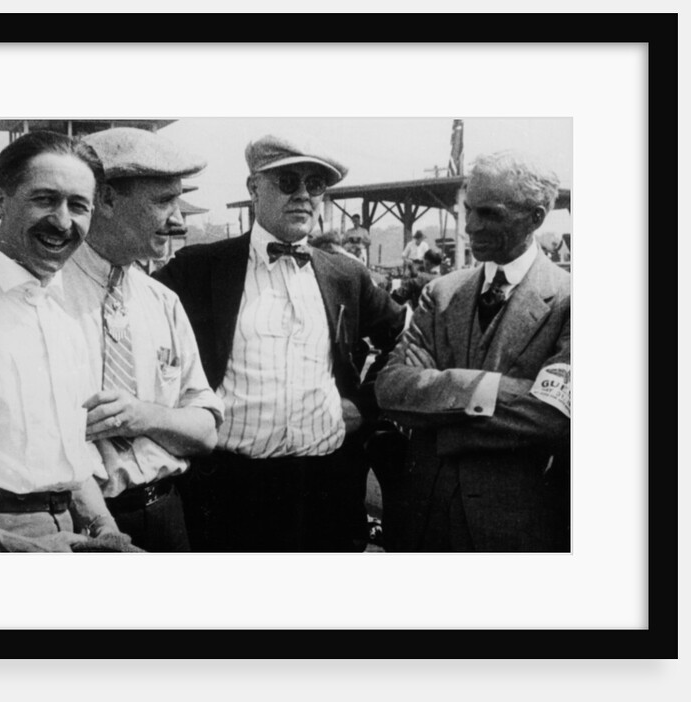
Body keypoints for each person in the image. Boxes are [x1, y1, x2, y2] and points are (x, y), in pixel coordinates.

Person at [154, 133, 406, 552]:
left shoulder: (346, 275)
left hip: (328, 488)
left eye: (316, 185)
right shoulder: (200, 269)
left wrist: (365, 402)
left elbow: (406, 336)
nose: (304, 196)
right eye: (288, 182)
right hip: (229, 490)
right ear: (254, 188)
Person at [375, 151, 570, 552]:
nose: (471, 227)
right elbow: (391, 388)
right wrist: (492, 394)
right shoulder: (442, 293)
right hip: (421, 520)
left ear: (535, 217)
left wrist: (437, 399)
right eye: (468, 211)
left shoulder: (572, 301)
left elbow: (551, 415)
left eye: (489, 213)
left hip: (515, 528)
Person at [61, 127, 224, 552]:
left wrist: (143, 417)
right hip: (82, 528)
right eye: (163, 201)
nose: (178, 219)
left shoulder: (162, 301)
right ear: (107, 200)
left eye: (179, 199)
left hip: (168, 515)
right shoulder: (47, 294)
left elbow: (206, 431)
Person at [0, 130, 138, 553]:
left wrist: (108, 532)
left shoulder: (64, 315)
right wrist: (7, 545)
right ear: (1, 201)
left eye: (78, 205)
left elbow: (68, 458)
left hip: (69, 530)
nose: (62, 220)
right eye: (44, 199)